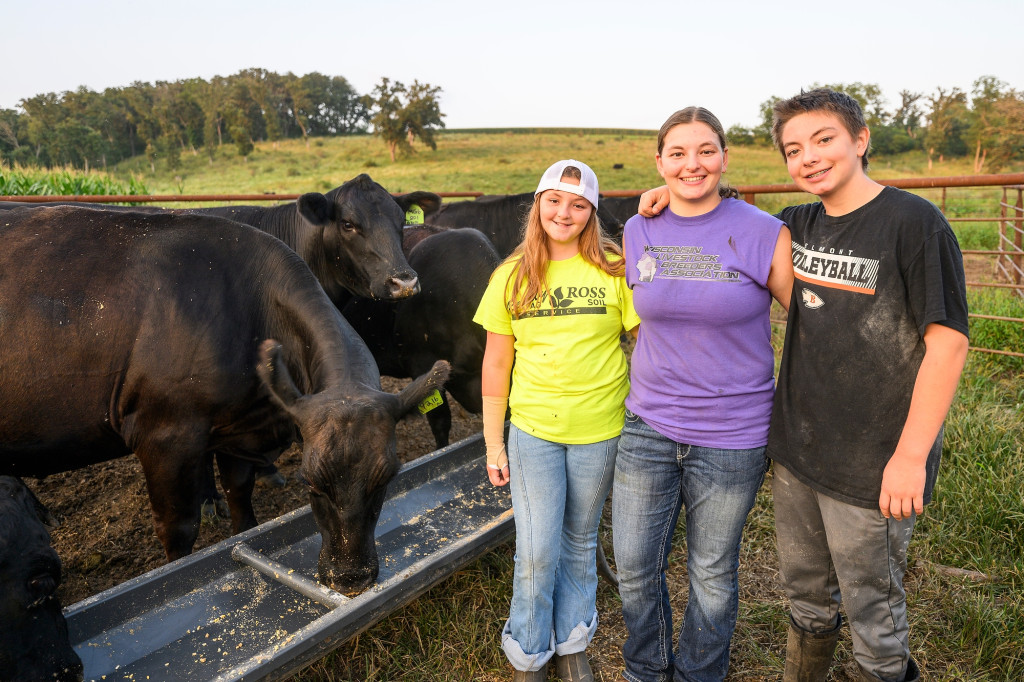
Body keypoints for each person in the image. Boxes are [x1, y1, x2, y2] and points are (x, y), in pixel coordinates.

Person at [640, 89, 970, 682]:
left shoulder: (912, 223)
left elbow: (948, 345)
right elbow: (722, 221)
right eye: (794, 149)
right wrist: (672, 192)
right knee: (807, 594)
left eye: (824, 140)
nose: (809, 158)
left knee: (872, 602)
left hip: (875, 453)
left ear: (861, 139)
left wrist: (910, 457)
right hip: (798, 447)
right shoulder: (797, 224)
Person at [613, 107, 793, 682]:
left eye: (706, 151)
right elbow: (644, 317)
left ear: (724, 156)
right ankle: (646, 670)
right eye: (679, 153)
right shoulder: (640, 227)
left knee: (712, 573)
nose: (693, 164)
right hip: (648, 425)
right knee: (637, 568)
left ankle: (698, 674)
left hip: (734, 435)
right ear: (660, 162)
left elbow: (810, 324)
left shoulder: (764, 231)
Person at [474, 159, 640, 682]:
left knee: (579, 540)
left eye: (578, 204)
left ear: (592, 212)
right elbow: (496, 362)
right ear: (538, 205)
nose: (564, 213)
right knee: (536, 546)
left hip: (600, 429)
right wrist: (492, 444)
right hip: (534, 433)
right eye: (554, 200)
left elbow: (646, 343)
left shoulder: (616, 268)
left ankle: (572, 643)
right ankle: (528, 651)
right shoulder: (511, 274)